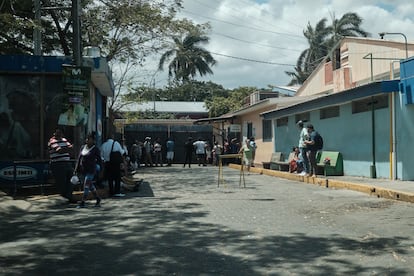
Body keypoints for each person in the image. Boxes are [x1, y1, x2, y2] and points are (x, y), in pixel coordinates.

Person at [74, 132, 102, 208]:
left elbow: (99, 160)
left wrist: (100, 171)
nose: (87, 140)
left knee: (86, 185)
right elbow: (79, 158)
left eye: (89, 139)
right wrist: (76, 169)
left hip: (91, 170)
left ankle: (83, 202)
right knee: (90, 185)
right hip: (83, 170)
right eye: (86, 139)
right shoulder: (83, 147)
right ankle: (98, 199)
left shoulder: (95, 149)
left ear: (93, 140)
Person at [48, 128, 75, 203]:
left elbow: (71, 148)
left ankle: (68, 195)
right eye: (56, 132)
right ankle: (65, 195)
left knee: (73, 179)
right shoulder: (52, 141)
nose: (58, 134)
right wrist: (68, 148)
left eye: (60, 133)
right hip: (57, 163)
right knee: (62, 181)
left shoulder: (64, 140)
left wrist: (68, 148)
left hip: (67, 162)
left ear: (62, 134)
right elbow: (59, 151)